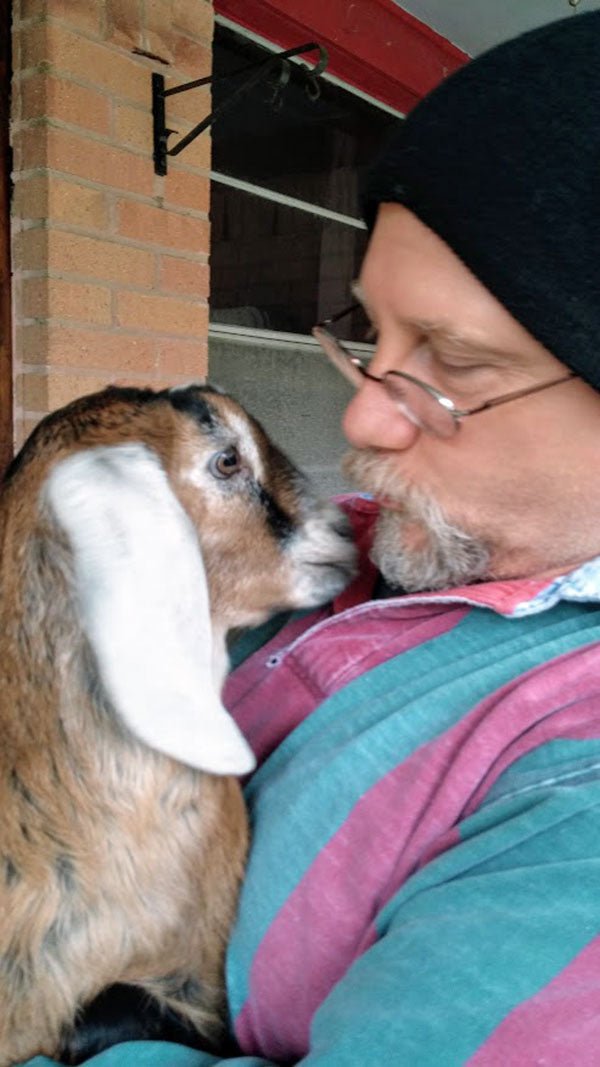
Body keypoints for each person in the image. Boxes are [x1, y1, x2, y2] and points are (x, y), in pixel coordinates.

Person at [30, 9, 600, 1066]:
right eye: (371, 335)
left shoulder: (579, 784)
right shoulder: (403, 550)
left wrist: (68, 1033)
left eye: (453, 365)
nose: (363, 420)